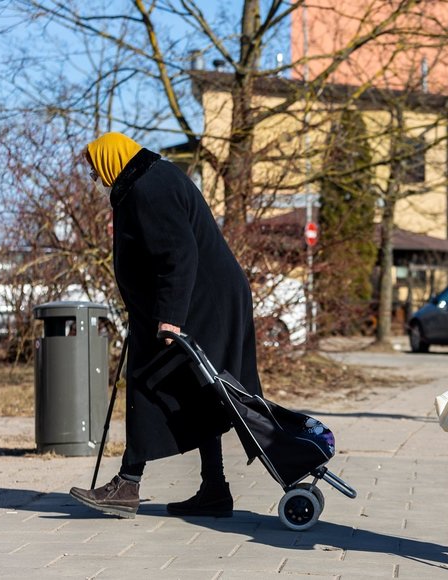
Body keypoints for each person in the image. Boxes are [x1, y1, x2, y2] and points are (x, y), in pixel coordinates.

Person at [69, 133, 262, 519]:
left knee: (149, 381)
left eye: (94, 168)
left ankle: (128, 484)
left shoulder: (149, 186)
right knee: (204, 389)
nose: (95, 177)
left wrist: (169, 317)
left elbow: (178, 252)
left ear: (111, 158)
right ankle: (214, 490)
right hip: (202, 299)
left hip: (201, 303)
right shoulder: (147, 179)